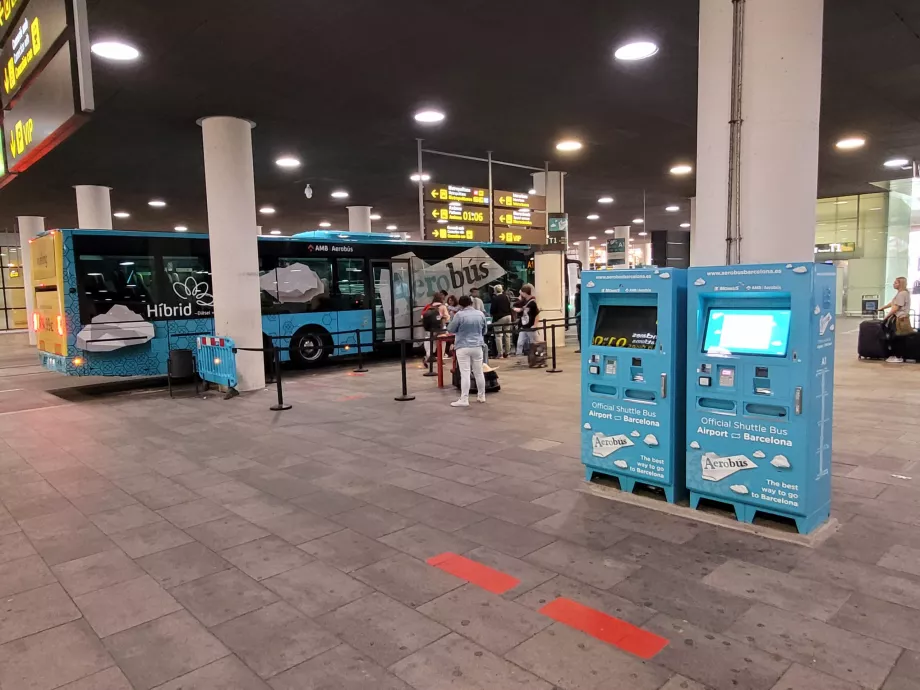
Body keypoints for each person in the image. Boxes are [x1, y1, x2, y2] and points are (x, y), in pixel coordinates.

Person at [447, 295, 487, 407]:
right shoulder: (480, 314)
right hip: (478, 346)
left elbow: (451, 329)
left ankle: (464, 399)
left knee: (465, 373)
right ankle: (481, 396)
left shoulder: (459, 315)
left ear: (460, 304)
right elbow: (484, 330)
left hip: (463, 346)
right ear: (471, 303)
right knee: (479, 372)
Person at [882, 276, 914, 363]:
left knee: (897, 337)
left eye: (896, 283)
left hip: (900, 319)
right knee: (897, 337)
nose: (893, 284)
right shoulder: (901, 293)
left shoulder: (902, 294)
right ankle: (897, 355)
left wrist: (886, 317)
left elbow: (895, 308)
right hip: (900, 318)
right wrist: (883, 308)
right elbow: (893, 303)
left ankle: (898, 356)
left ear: (901, 284)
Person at [421, 291, 449, 364]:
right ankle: (440, 359)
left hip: (430, 329)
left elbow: (422, 316)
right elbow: (447, 317)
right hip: (441, 328)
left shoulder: (429, 306)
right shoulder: (443, 306)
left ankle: (428, 356)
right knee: (442, 344)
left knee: (430, 344)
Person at [514, 283, 540, 357]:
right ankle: (519, 356)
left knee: (533, 343)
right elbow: (518, 304)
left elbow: (537, 314)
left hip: (530, 326)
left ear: (525, 293)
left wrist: (535, 325)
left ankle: (535, 358)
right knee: (520, 343)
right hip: (524, 326)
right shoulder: (525, 301)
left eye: (522, 292)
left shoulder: (532, 302)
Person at [490, 284, 513, 358]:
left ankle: (500, 354)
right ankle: (507, 352)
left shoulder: (495, 298)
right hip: (508, 316)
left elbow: (493, 309)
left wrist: (492, 314)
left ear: (495, 290)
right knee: (507, 334)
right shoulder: (506, 297)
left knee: (498, 335)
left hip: (499, 317)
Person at [574, 283, 582, 353]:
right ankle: (581, 347)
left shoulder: (578, 296)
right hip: (580, 315)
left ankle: (581, 348)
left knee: (580, 332)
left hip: (579, 316)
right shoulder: (582, 296)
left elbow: (577, 307)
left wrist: (577, 314)